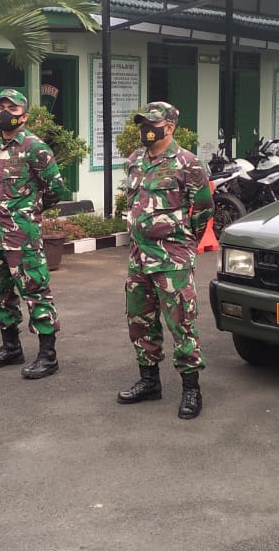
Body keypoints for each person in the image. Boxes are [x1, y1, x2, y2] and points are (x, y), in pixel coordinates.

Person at [115, 102, 214, 419]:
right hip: (138, 259)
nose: (146, 128)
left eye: (152, 123)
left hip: (172, 260)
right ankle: (149, 382)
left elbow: (203, 210)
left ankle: (191, 389)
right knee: (139, 321)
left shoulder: (188, 164)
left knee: (182, 325)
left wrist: (183, 246)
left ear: (169, 126)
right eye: (143, 122)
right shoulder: (135, 161)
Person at [0, 89, 67, 379]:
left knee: (35, 292)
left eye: (11, 108)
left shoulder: (35, 147)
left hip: (21, 237)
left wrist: (28, 211)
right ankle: (11, 347)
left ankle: (47, 355)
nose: (4, 112)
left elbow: (55, 189)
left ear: (24, 116)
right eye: (1, 106)